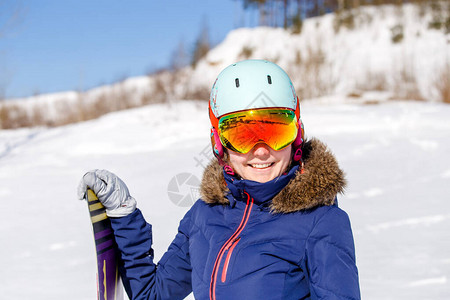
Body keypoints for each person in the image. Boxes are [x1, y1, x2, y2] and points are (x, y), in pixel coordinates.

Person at [78, 59, 361, 300]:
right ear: (219, 144)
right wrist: (124, 216)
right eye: (242, 135)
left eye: (276, 131)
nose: (261, 150)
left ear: (296, 135)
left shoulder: (321, 222)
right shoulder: (204, 215)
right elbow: (153, 293)